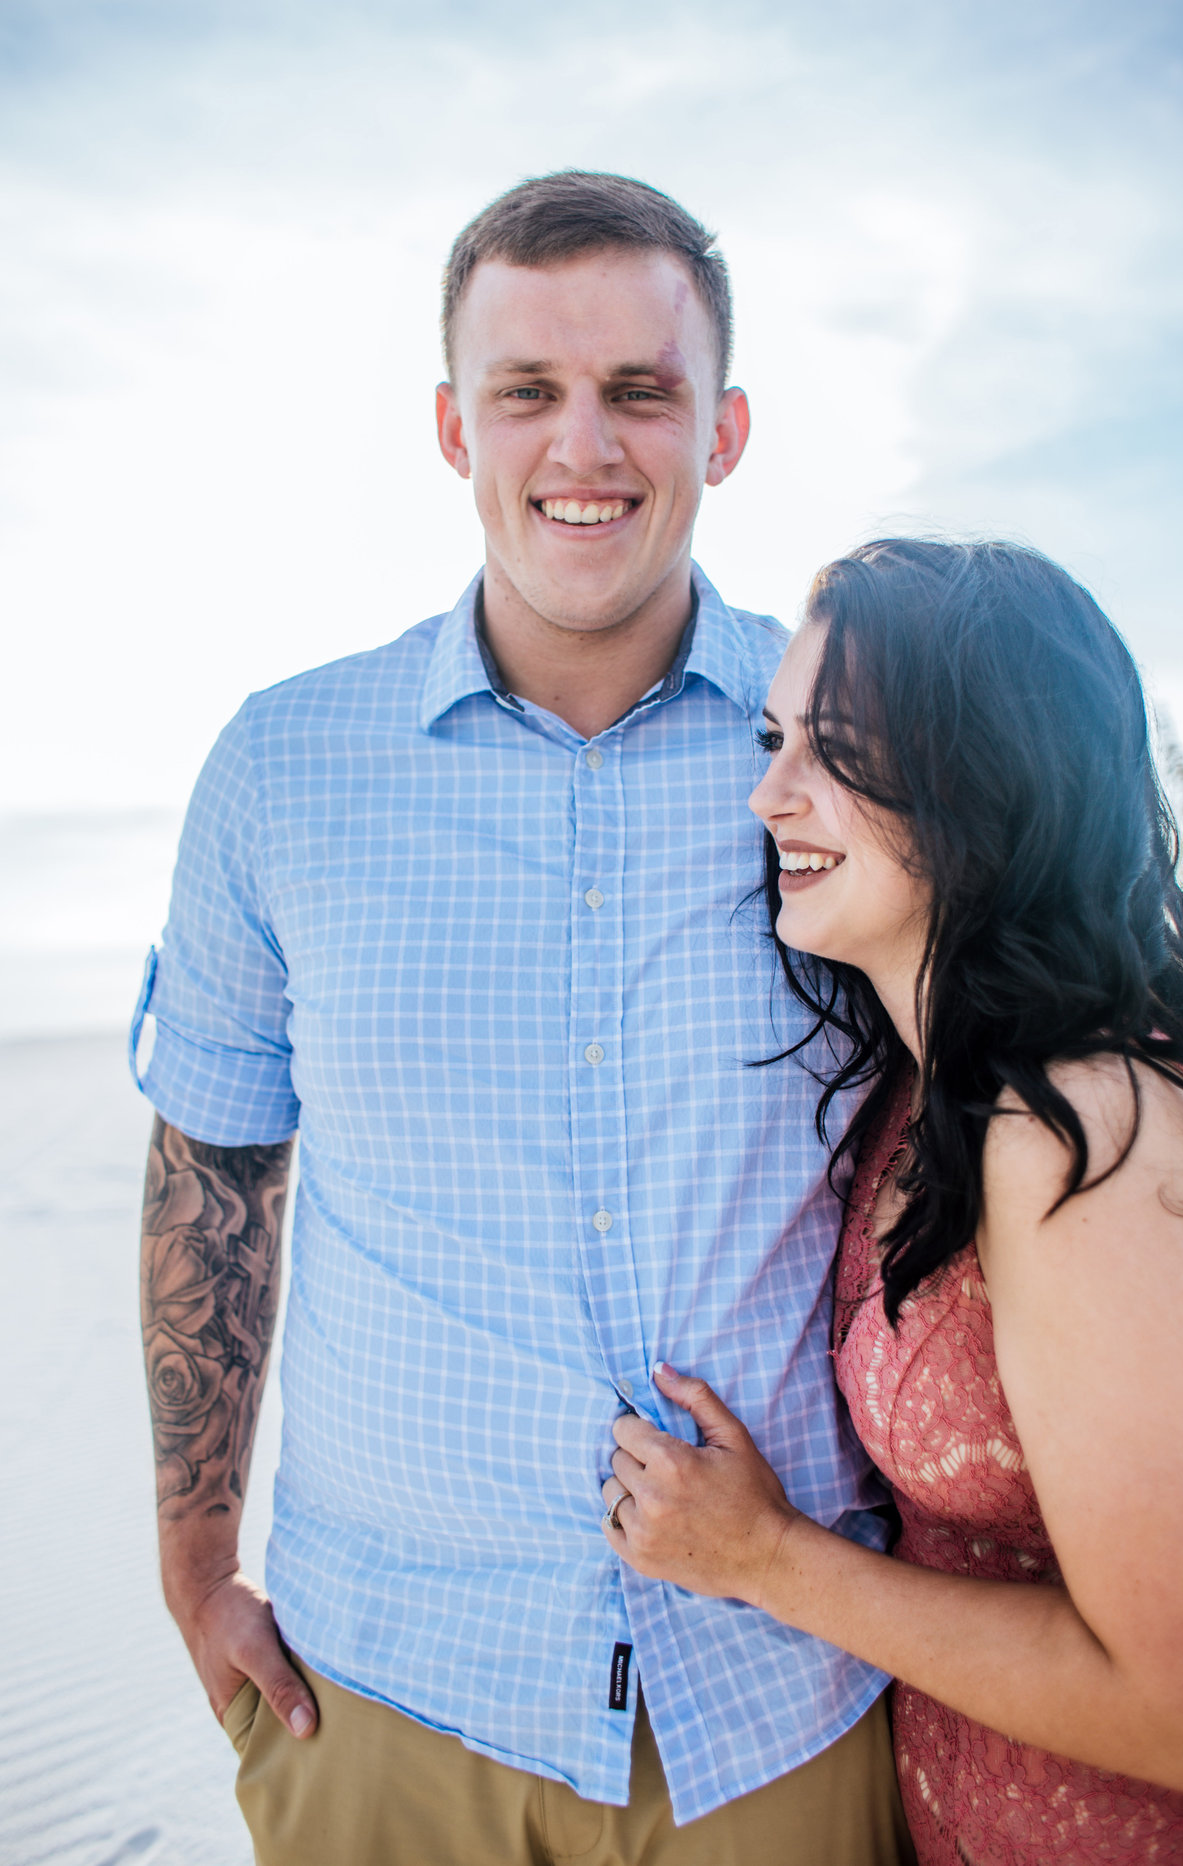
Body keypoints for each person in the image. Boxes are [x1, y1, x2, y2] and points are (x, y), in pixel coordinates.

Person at [135, 171, 912, 1861]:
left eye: (641, 391)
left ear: (725, 429)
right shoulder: (283, 768)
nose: (585, 445)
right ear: (449, 425)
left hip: (779, 1710)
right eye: (528, 393)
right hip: (385, 1711)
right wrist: (195, 1566)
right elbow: (211, 1176)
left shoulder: (852, 753)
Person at [594, 539, 1183, 1864]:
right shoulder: (919, 1086)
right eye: (775, 738)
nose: (770, 792)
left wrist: (767, 1558)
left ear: (987, 775)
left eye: (834, 747)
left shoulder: (1085, 1122)